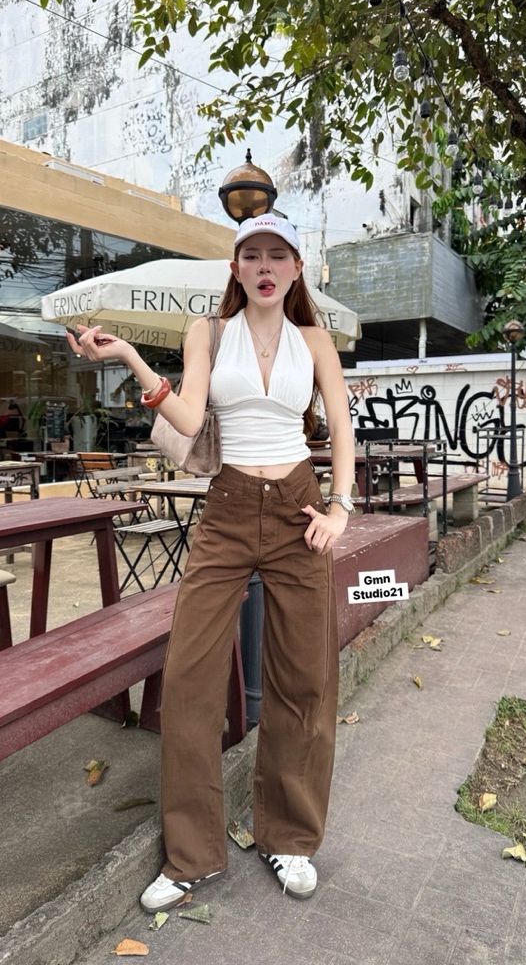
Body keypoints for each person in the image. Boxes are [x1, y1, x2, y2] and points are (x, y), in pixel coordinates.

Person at [67, 214, 355, 911]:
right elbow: (191, 419)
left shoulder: (315, 340)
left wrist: (340, 509)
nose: (265, 266)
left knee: (306, 680)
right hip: (227, 507)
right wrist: (131, 358)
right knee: (190, 677)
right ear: (235, 268)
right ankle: (192, 855)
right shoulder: (208, 332)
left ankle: (289, 838)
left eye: (278, 255)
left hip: (298, 509)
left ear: (296, 268)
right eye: (252, 255)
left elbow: (342, 426)